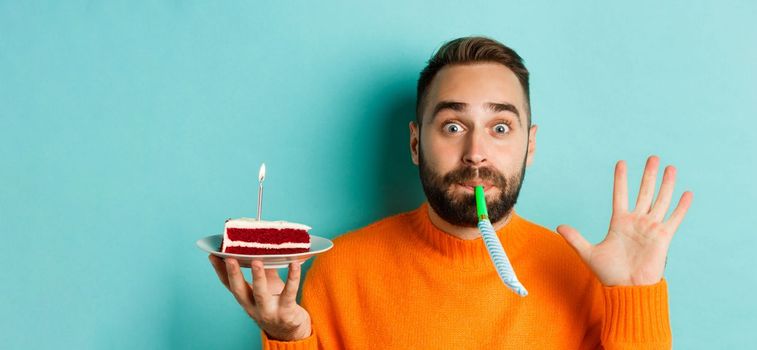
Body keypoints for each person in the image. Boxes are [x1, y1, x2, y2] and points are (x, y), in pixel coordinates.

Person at [209, 36, 693, 349]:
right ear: (417, 143)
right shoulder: (342, 270)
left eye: (501, 127)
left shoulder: (583, 278)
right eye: (454, 125)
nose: (476, 152)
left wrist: (635, 297)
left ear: (531, 145)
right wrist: (287, 337)